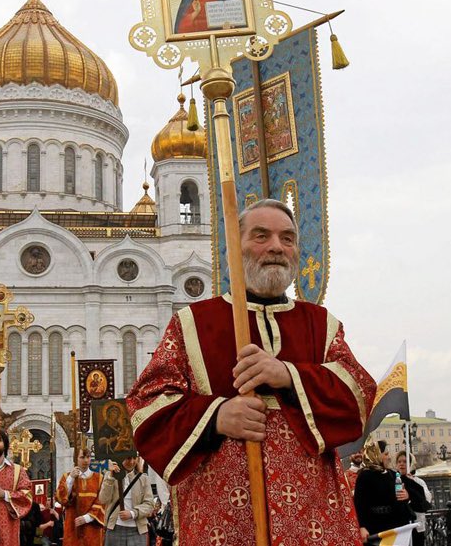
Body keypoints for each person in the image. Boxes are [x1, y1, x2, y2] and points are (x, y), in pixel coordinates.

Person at [127, 199, 377, 545]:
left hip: (315, 517)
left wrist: (289, 375)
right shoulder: (192, 324)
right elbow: (145, 406)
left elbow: (359, 396)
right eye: (261, 236)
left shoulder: (320, 324)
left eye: (287, 239)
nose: (276, 246)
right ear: (235, 247)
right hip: (223, 518)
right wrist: (216, 416)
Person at [354, 440, 427, 543]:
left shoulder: (392, 474)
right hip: (375, 529)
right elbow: (359, 504)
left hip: (396, 528)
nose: (389, 457)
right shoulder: (365, 476)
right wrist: (362, 526)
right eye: (386, 454)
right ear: (376, 455)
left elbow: (418, 494)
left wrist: (407, 495)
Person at [97, 456, 154, 546]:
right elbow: (103, 499)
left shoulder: (143, 478)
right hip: (115, 528)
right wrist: (111, 477)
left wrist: (132, 513)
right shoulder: (110, 476)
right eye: (128, 458)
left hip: (137, 530)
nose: (131, 462)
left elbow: (150, 504)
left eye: (134, 458)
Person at [55, 448, 105, 546]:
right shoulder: (66, 477)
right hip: (72, 525)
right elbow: (61, 499)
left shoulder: (99, 478)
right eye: (82, 457)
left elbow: (102, 501)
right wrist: (71, 479)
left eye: (88, 457)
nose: (86, 460)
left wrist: (87, 518)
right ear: (76, 459)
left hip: (92, 526)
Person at [396, 450, 432, 546]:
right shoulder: (395, 480)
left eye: (405, 461)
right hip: (401, 526)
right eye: (399, 462)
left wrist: (413, 486)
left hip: (417, 525)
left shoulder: (418, 481)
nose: (402, 464)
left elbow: (427, 499)